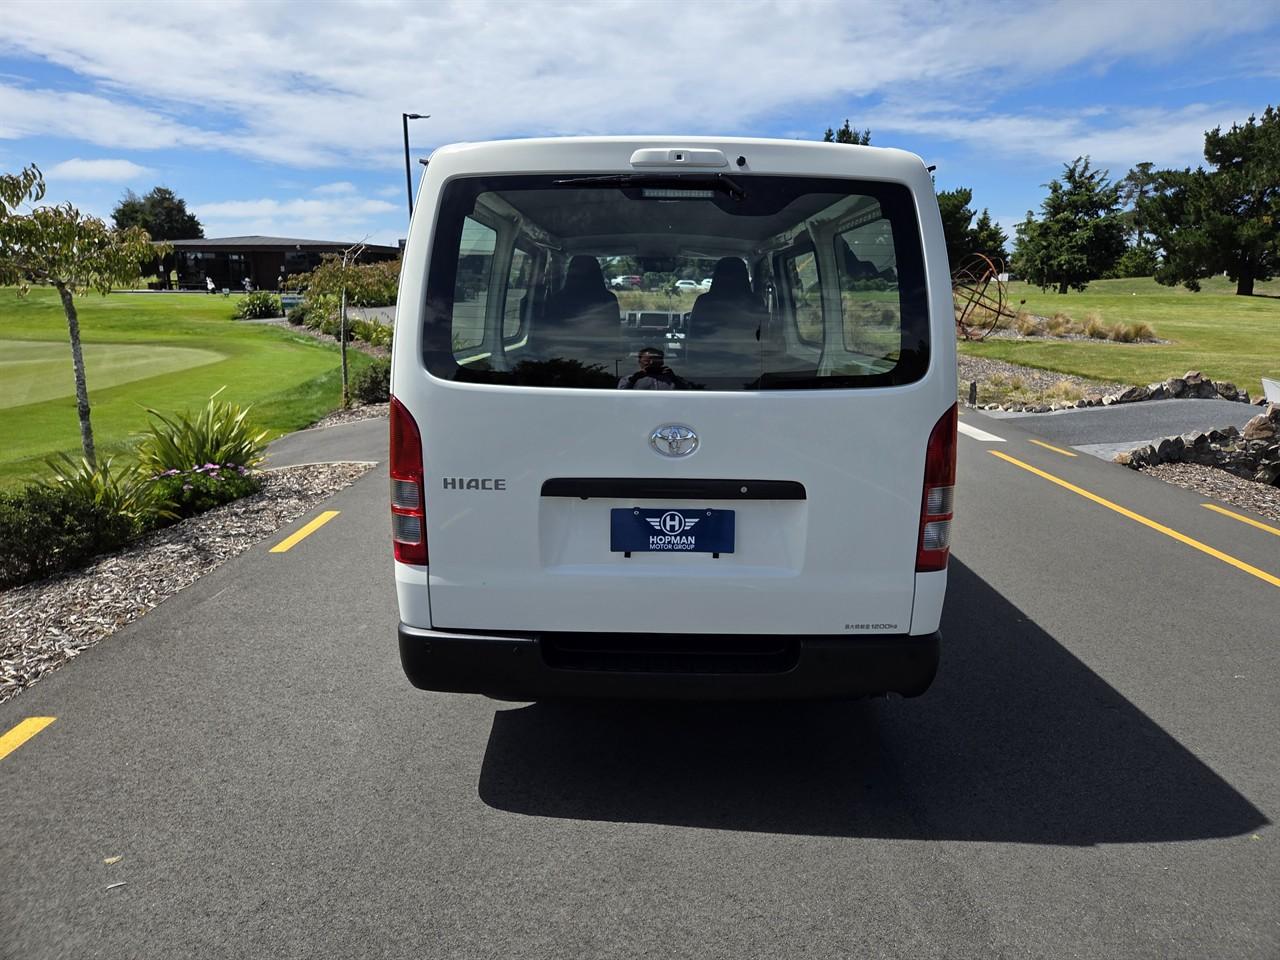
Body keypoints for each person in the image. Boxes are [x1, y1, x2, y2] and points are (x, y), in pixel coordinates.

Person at [618, 347, 688, 390]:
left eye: (655, 360)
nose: (651, 363)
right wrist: (633, 380)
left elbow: (688, 394)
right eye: (647, 361)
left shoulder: (672, 379)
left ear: (662, 362)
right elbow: (619, 398)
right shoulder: (628, 380)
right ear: (639, 362)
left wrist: (674, 379)